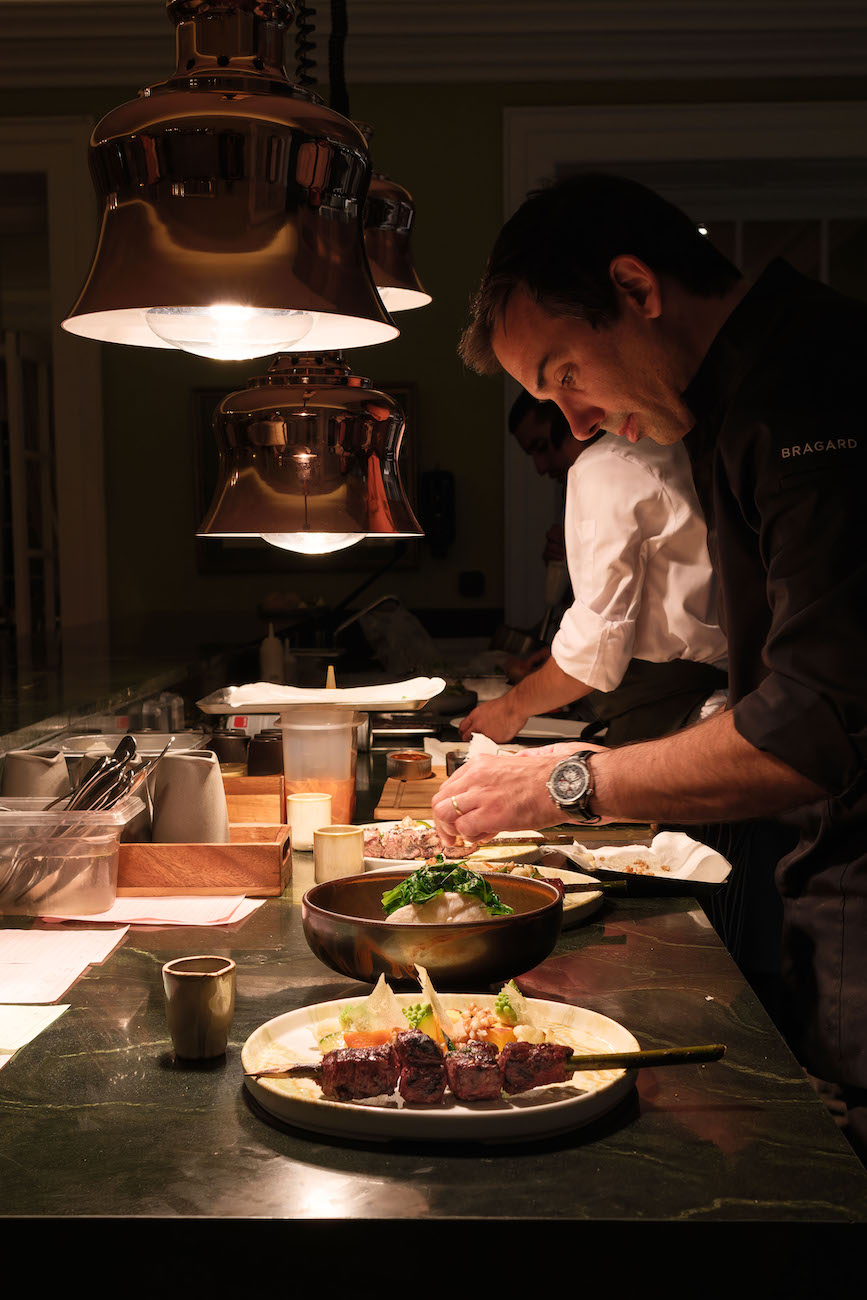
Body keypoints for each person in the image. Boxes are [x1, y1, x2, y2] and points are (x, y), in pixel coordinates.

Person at [431, 171, 867, 1160]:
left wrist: (565, 780)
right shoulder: (729, 402)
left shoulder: (809, 381)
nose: (575, 422)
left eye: (566, 373)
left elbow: (815, 725)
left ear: (634, 287)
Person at [463, 389, 728, 746]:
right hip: (707, 698)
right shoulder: (658, 447)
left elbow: (594, 651)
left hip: (686, 713)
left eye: (541, 447)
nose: (540, 468)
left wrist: (511, 708)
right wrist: (560, 654)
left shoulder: (603, 466)